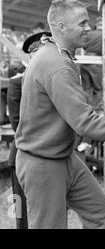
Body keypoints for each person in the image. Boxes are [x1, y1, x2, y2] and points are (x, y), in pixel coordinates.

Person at [14, 0, 105, 229]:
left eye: (87, 22)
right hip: (42, 164)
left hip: (64, 158)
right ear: (61, 27)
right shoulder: (56, 65)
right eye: (82, 23)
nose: (88, 28)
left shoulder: (57, 55)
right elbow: (85, 122)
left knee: (103, 215)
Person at [7, 31, 51, 229]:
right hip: (22, 157)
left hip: (50, 157)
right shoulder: (17, 83)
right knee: (21, 214)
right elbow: (18, 123)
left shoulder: (54, 80)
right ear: (31, 55)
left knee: (49, 213)